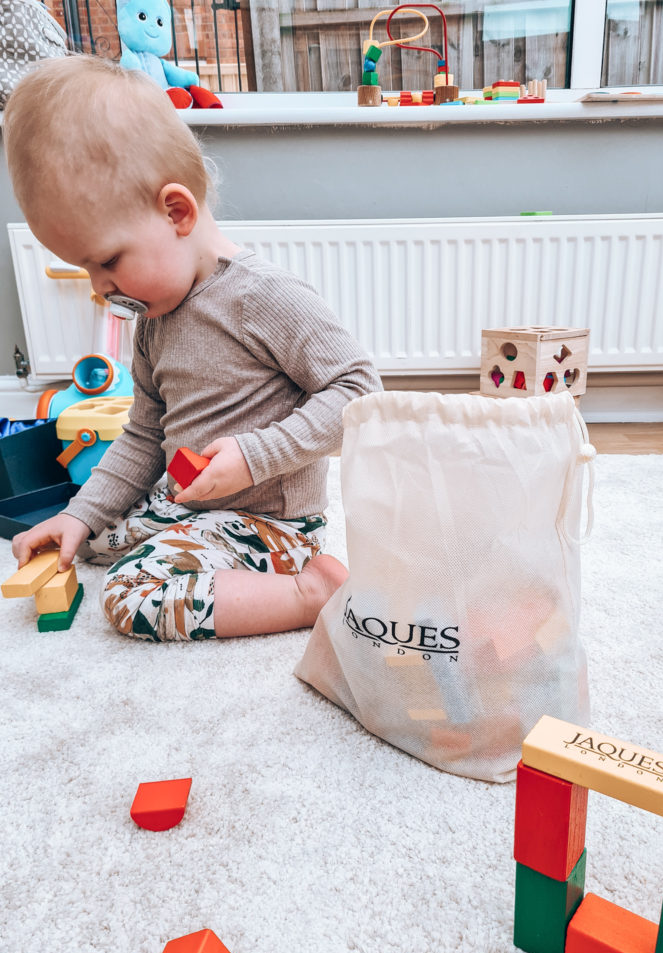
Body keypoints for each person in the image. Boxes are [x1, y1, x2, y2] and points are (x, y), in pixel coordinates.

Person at [3, 54, 382, 641]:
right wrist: (78, 515)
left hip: (269, 523)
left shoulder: (264, 296)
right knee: (91, 539)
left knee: (132, 596)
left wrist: (257, 455)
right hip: (188, 506)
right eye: (85, 269)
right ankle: (118, 529)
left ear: (175, 211)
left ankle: (310, 591)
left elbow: (360, 392)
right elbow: (143, 435)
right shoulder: (153, 317)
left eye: (105, 261)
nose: (101, 287)